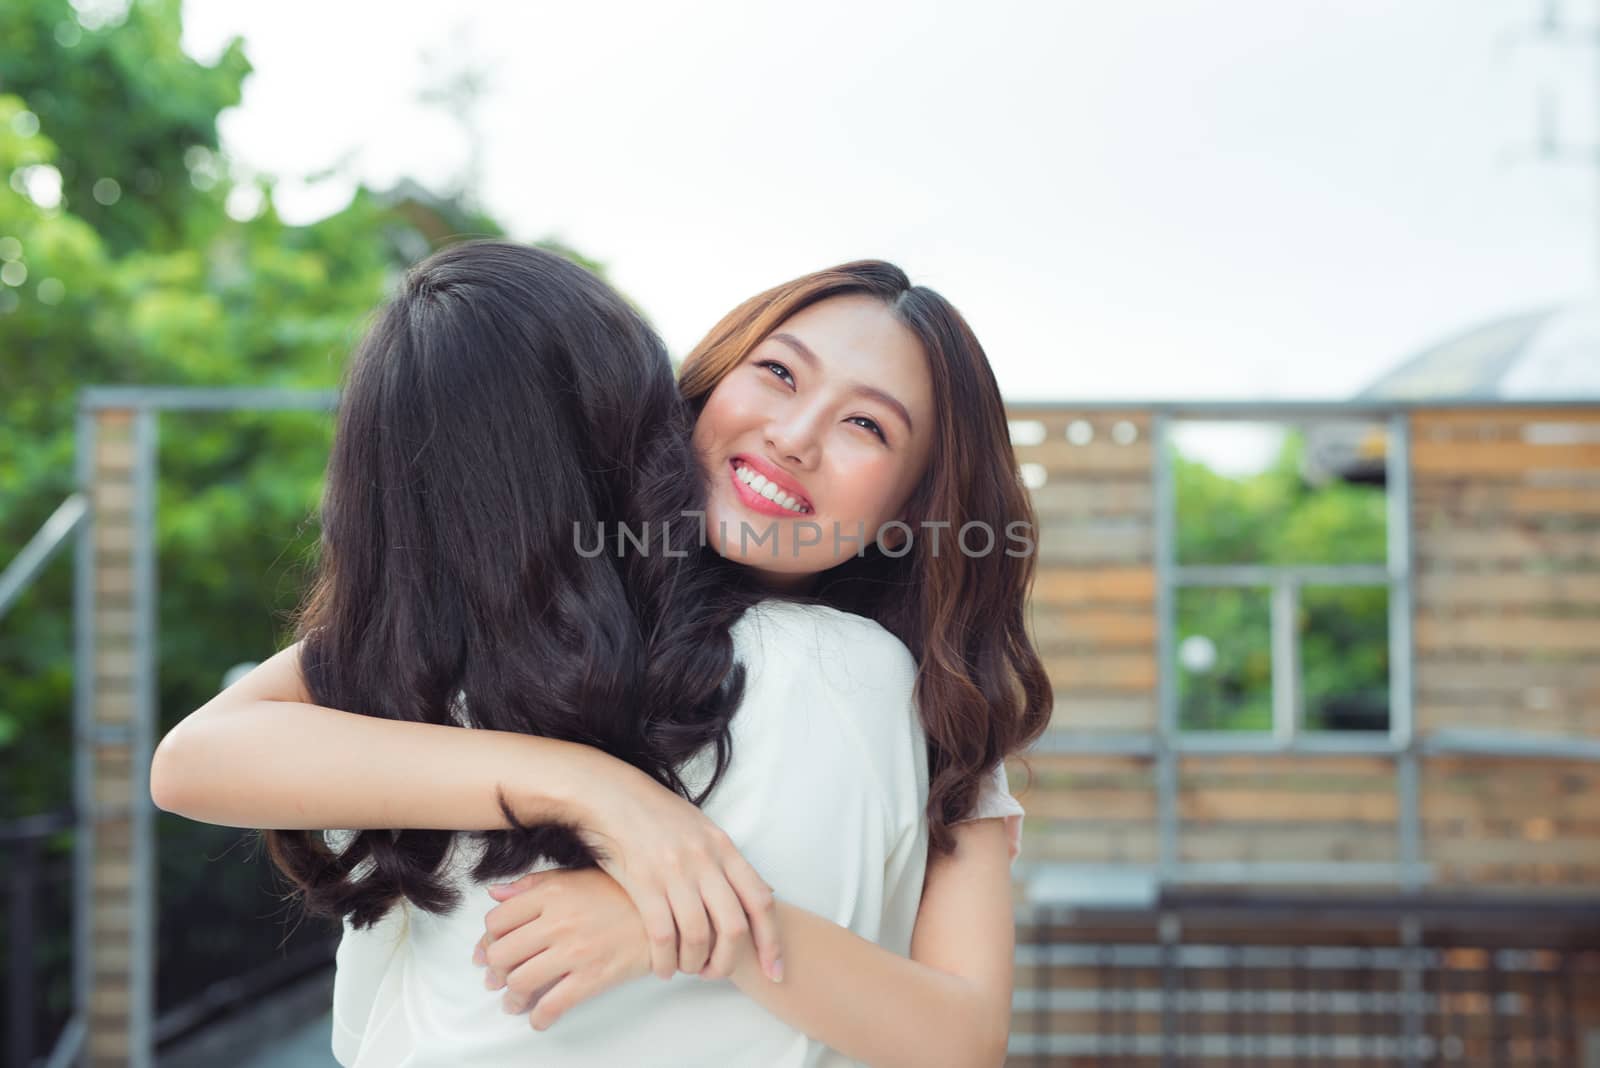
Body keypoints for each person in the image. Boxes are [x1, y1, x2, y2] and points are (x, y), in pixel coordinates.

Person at [151, 251, 1049, 1067]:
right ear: (707, 382)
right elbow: (194, 761)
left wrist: (695, 919)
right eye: (777, 373)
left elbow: (963, 1042)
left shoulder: (930, 703)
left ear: (904, 513)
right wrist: (596, 792)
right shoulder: (541, 591)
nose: (794, 436)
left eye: (867, 426)